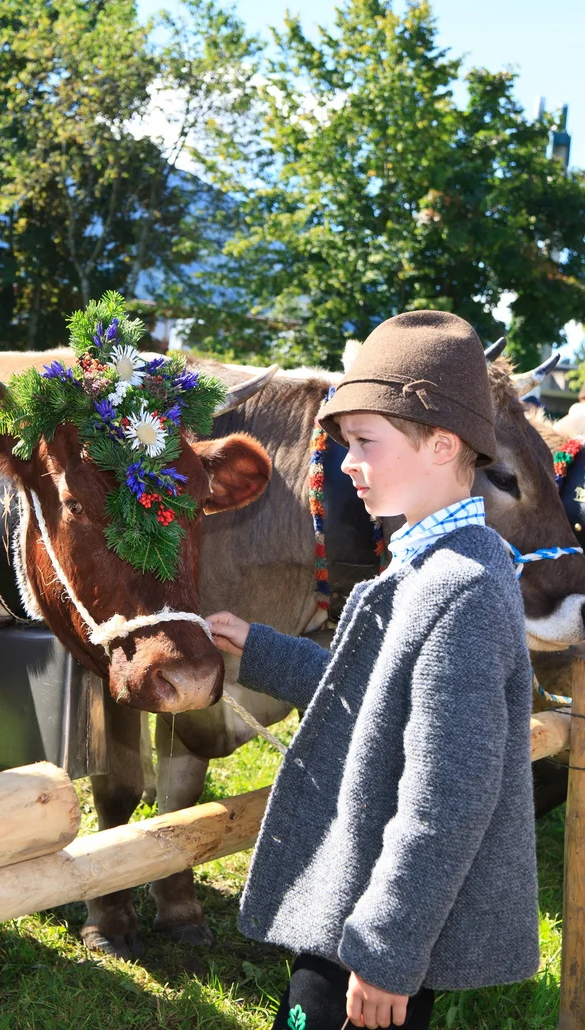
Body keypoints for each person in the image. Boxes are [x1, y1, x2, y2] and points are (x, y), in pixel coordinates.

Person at [207, 311, 539, 1030]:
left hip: (374, 931)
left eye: (365, 442)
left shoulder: (462, 588)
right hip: (359, 903)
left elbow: (447, 800)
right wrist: (258, 648)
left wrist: (386, 953)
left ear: (442, 444)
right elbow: (373, 694)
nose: (346, 464)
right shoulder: (429, 563)